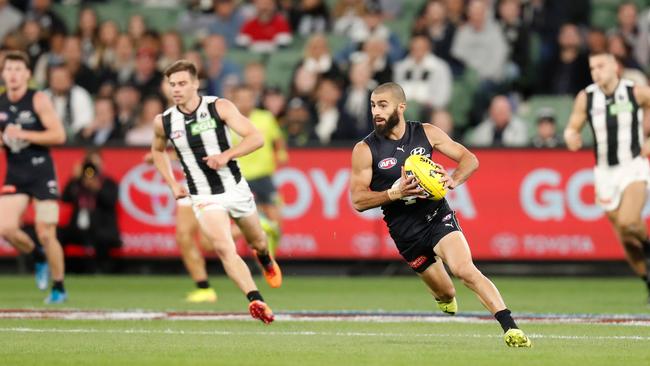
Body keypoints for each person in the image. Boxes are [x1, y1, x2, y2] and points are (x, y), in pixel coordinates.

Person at [349, 82, 531, 347]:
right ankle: (444, 298)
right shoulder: (365, 150)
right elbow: (357, 200)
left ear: (401, 107)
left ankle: (510, 327)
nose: (376, 111)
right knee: (446, 292)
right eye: (373, 105)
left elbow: (469, 159)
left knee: (465, 270)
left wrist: (454, 179)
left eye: (383, 105)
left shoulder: (426, 133)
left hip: (437, 216)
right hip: (405, 232)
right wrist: (393, 193)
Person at [151, 59, 281, 324]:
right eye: (172, 84)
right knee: (224, 248)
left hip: (234, 188)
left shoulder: (218, 106)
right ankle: (256, 299)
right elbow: (156, 151)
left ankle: (265, 258)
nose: (176, 89)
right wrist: (172, 184)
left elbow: (256, 137)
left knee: (256, 241)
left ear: (195, 84)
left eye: (182, 83)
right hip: (203, 196)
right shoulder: (164, 121)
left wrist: (226, 156)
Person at [564, 52, 650, 300]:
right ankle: (647, 279)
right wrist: (572, 136)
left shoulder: (636, 92)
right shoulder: (587, 97)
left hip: (632, 166)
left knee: (628, 222)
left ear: (615, 67)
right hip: (604, 174)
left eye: (601, 66)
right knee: (625, 239)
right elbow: (572, 127)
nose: (596, 72)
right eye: (592, 68)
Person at [0, 50, 67, 303]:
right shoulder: (1, 103)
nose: (14, 74)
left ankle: (59, 287)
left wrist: (24, 134)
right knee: (5, 229)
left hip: (41, 172)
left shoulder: (37, 99)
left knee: (47, 232)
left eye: (19, 70)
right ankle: (38, 256)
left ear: (27, 74)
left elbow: (58, 136)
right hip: (15, 172)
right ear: (4, 74)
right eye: (10, 69)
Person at [231, 85, 287, 254]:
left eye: (248, 98)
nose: (245, 102)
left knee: (277, 221)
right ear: (234, 101)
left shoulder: (266, 117)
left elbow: (277, 139)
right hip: (241, 179)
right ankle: (265, 260)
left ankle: (269, 261)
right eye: (240, 99)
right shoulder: (229, 121)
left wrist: (281, 153)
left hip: (264, 177)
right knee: (250, 225)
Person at [58, 150, 120, 273]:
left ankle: (101, 269)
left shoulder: (108, 183)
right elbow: (65, 198)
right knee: (58, 234)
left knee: (103, 238)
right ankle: (60, 268)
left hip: (100, 227)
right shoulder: (77, 183)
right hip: (78, 227)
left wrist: (97, 188)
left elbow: (111, 201)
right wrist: (74, 179)